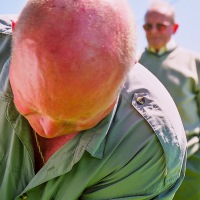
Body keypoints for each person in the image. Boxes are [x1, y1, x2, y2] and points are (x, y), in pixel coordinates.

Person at [0, 0, 187, 199]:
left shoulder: (145, 149)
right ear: (16, 36)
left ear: (125, 72)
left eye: (78, 119)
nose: (48, 130)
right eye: (32, 105)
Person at [139, 1, 200, 199]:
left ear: (174, 28)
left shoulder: (193, 62)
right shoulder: (135, 66)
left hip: (191, 163)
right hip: (146, 165)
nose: (154, 31)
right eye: (148, 26)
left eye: (161, 26)